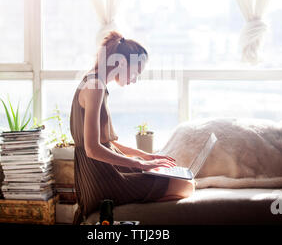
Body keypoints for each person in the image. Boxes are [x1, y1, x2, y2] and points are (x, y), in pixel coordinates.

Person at [69, 31, 194, 224]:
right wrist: (139, 164)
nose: (135, 79)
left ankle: (142, 195)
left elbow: (108, 143)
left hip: (103, 169)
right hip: (98, 176)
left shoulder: (96, 82)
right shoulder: (95, 86)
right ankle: (137, 203)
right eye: (136, 71)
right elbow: (92, 149)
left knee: (179, 178)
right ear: (122, 63)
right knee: (185, 186)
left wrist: (146, 156)